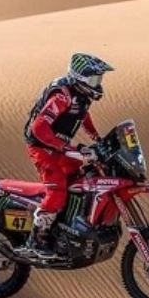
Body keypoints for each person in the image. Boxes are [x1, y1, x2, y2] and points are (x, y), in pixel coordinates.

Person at [22, 52, 114, 258]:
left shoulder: (81, 96)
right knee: (57, 190)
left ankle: (65, 226)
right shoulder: (62, 96)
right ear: (80, 77)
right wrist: (63, 147)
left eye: (98, 79)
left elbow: (82, 114)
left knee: (81, 177)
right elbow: (39, 128)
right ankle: (36, 239)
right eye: (94, 79)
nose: (97, 83)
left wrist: (96, 137)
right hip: (42, 148)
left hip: (58, 146)